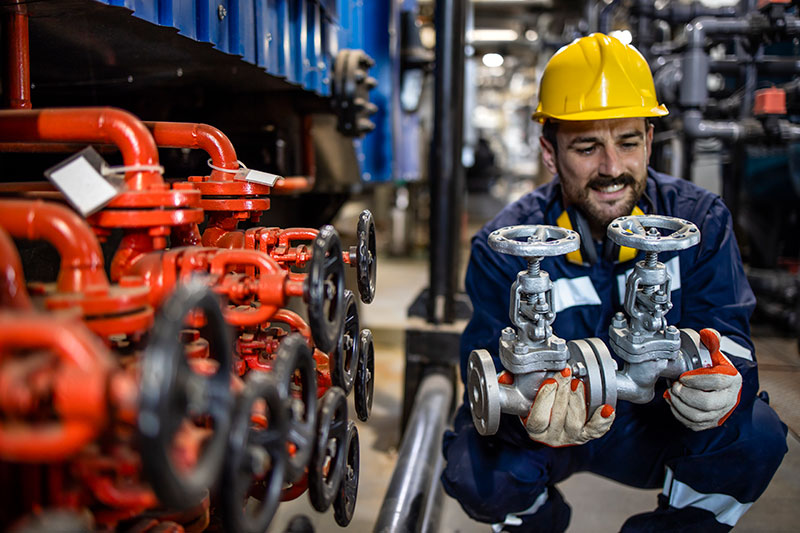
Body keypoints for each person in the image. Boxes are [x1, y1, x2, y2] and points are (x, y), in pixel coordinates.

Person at [441, 33, 788, 532]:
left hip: (654, 419)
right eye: (587, 147)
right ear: (548, 151)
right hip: (552, 423)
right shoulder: (505, 246)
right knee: (476, 468)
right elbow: (487, 370)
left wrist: (724, 381)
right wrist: (528, 413)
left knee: (754, 435)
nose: (611, 169)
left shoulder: (699, 222)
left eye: (628, 142)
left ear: (649, 141)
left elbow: (728, 335)